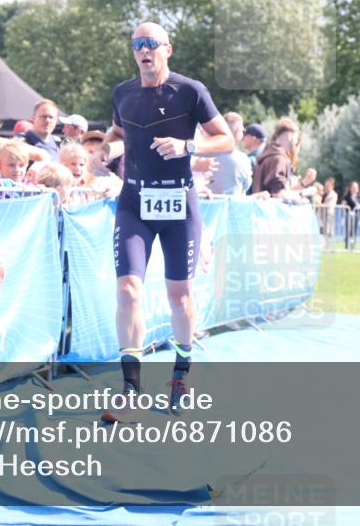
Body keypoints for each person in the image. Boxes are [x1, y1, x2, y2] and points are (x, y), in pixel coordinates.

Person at [100, 22, 233, 421]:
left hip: (179, 201)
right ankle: (130, 388)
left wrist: (188, 146)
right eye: (137, 44)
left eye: (151, 44)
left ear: (167, 49)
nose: (144, 50)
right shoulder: (123, 92)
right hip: (134, 199)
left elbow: (225, 139)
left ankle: (179, 375)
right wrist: (106, 147)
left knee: (180, 297)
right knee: (128, 289)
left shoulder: (190, 90)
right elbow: (119, 129)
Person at [251, 118, 306, 201]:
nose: (296, 142)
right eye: (296, 137)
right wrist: (299, 198)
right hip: (271, 212)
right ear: (289, 136)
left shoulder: (267, 156)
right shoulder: (278, 159)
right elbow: (278, 193)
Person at [205, 112, 252, 196]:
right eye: (242, 130)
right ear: (237, 131)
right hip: (232, 207)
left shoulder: (205, 154)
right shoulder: (243, 159)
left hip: (206, 206)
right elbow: (247, 185)